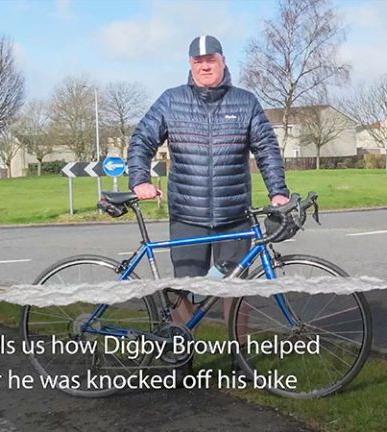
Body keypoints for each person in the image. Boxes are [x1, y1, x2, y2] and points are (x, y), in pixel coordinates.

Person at [127, 35, 289, 371]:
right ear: (190, 65)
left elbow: (267, 150)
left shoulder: (245, 102)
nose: (204, 65)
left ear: (222, 61)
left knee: (235, 290)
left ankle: (239, 359)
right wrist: (140, 180)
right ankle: (181, 361)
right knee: (183, 289)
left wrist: (278, 192)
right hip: (188, 214)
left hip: (234, 216)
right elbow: (141, 139)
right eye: (198, 61)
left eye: (210, 59)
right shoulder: (171, 101)